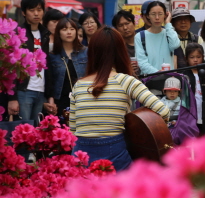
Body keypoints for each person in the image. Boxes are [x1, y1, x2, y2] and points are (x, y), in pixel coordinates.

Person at [70, 27, 170, 171]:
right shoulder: (126, 81)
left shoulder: (79, 85)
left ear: (92, 53)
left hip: (81, 154)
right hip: (114, 152)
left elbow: (73, 130)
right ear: (120, 52)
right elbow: (163, 111)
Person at [8, 0, 54, 123]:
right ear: (24, 12)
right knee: (23, 132)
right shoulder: (18, 33)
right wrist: (12, 97)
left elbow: (47, 66)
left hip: (41, 91)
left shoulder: (45, 34)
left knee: (37, 134)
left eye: (39, 10)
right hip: (24, 91)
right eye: (32, 10)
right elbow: (9, 68)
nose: (36, 13)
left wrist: (49, 96)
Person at [46, 18, 88, 120]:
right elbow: (49, 81)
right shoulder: (52, 55)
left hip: (83, 99)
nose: (69, 32)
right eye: (64, 29)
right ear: (58, 33)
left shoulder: (86, 52)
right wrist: (51, 101)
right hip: (60, 100)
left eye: (72, 29)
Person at [134, 1, 179, 74]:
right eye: (153, 14)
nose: (157, 18)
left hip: (169, 80)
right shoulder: (140, 36)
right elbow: (142, 63)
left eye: (160, 14)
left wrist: (168, 23)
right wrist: (157, 72)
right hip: (149, 80)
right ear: (148, 16)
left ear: (165, 15)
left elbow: (175, 45)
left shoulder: (169, 32)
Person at [183, 43, 205, 136]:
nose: (195, 60)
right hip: (191, 114)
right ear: (186, 58)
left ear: (203, 57)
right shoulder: (184, 75)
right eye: (192, 57)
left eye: (198, 57)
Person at [112, 10, 140, 75]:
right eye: (120, 25)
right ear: (116, 29)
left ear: (134, 23)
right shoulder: (116, 47)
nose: (125, 28)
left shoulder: (144, 40)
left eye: (127, 23)